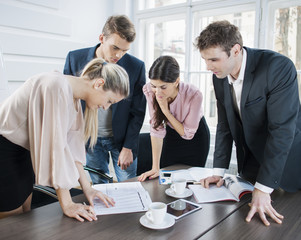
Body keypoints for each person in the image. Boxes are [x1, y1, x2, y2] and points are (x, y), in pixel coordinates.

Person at [195, 20, 301, 226]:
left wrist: (263, 188)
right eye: (205, 60)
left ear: (235, 50)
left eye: (213, 59)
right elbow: (225, 124)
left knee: (288, 224)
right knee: (245, 224)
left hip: (288, 163)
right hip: (250, 162)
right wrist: (218, 172)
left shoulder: (277, 68)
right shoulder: (220, 75)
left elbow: (281, 131)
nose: (208, 67)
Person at [0, 58, 130, 221]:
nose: (106, 107)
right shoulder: (56, 86)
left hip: (24, 152)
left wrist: (87, 189)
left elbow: (73, 151)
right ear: (99, 83)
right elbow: (55, 150)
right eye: (110, 101)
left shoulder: (74, 100)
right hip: (4, 150)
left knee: (26, 213)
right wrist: (67, 204)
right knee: (12, 220)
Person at [64, 15, 146, 184]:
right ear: (101, 38)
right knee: (99, 188)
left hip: (122, 141)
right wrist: (77, 140)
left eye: (125, 50)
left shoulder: (136, 67)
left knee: (129, 187)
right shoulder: (74, 58)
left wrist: (128, 147)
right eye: (115, 47)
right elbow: (68, 102)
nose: (119, 55)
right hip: (90, 139)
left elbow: (138, 112)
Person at [138, 56, 210, 182]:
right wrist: (156, 167)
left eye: (163, 87)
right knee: (166, 180)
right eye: (154, 85)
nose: (157, 92)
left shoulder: (193, 94)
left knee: (191, 183)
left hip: (195, 138)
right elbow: (157, 129)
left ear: (177, 81)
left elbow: (187, 133)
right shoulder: (149, 90)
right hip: (171, 135)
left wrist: (166, 111)